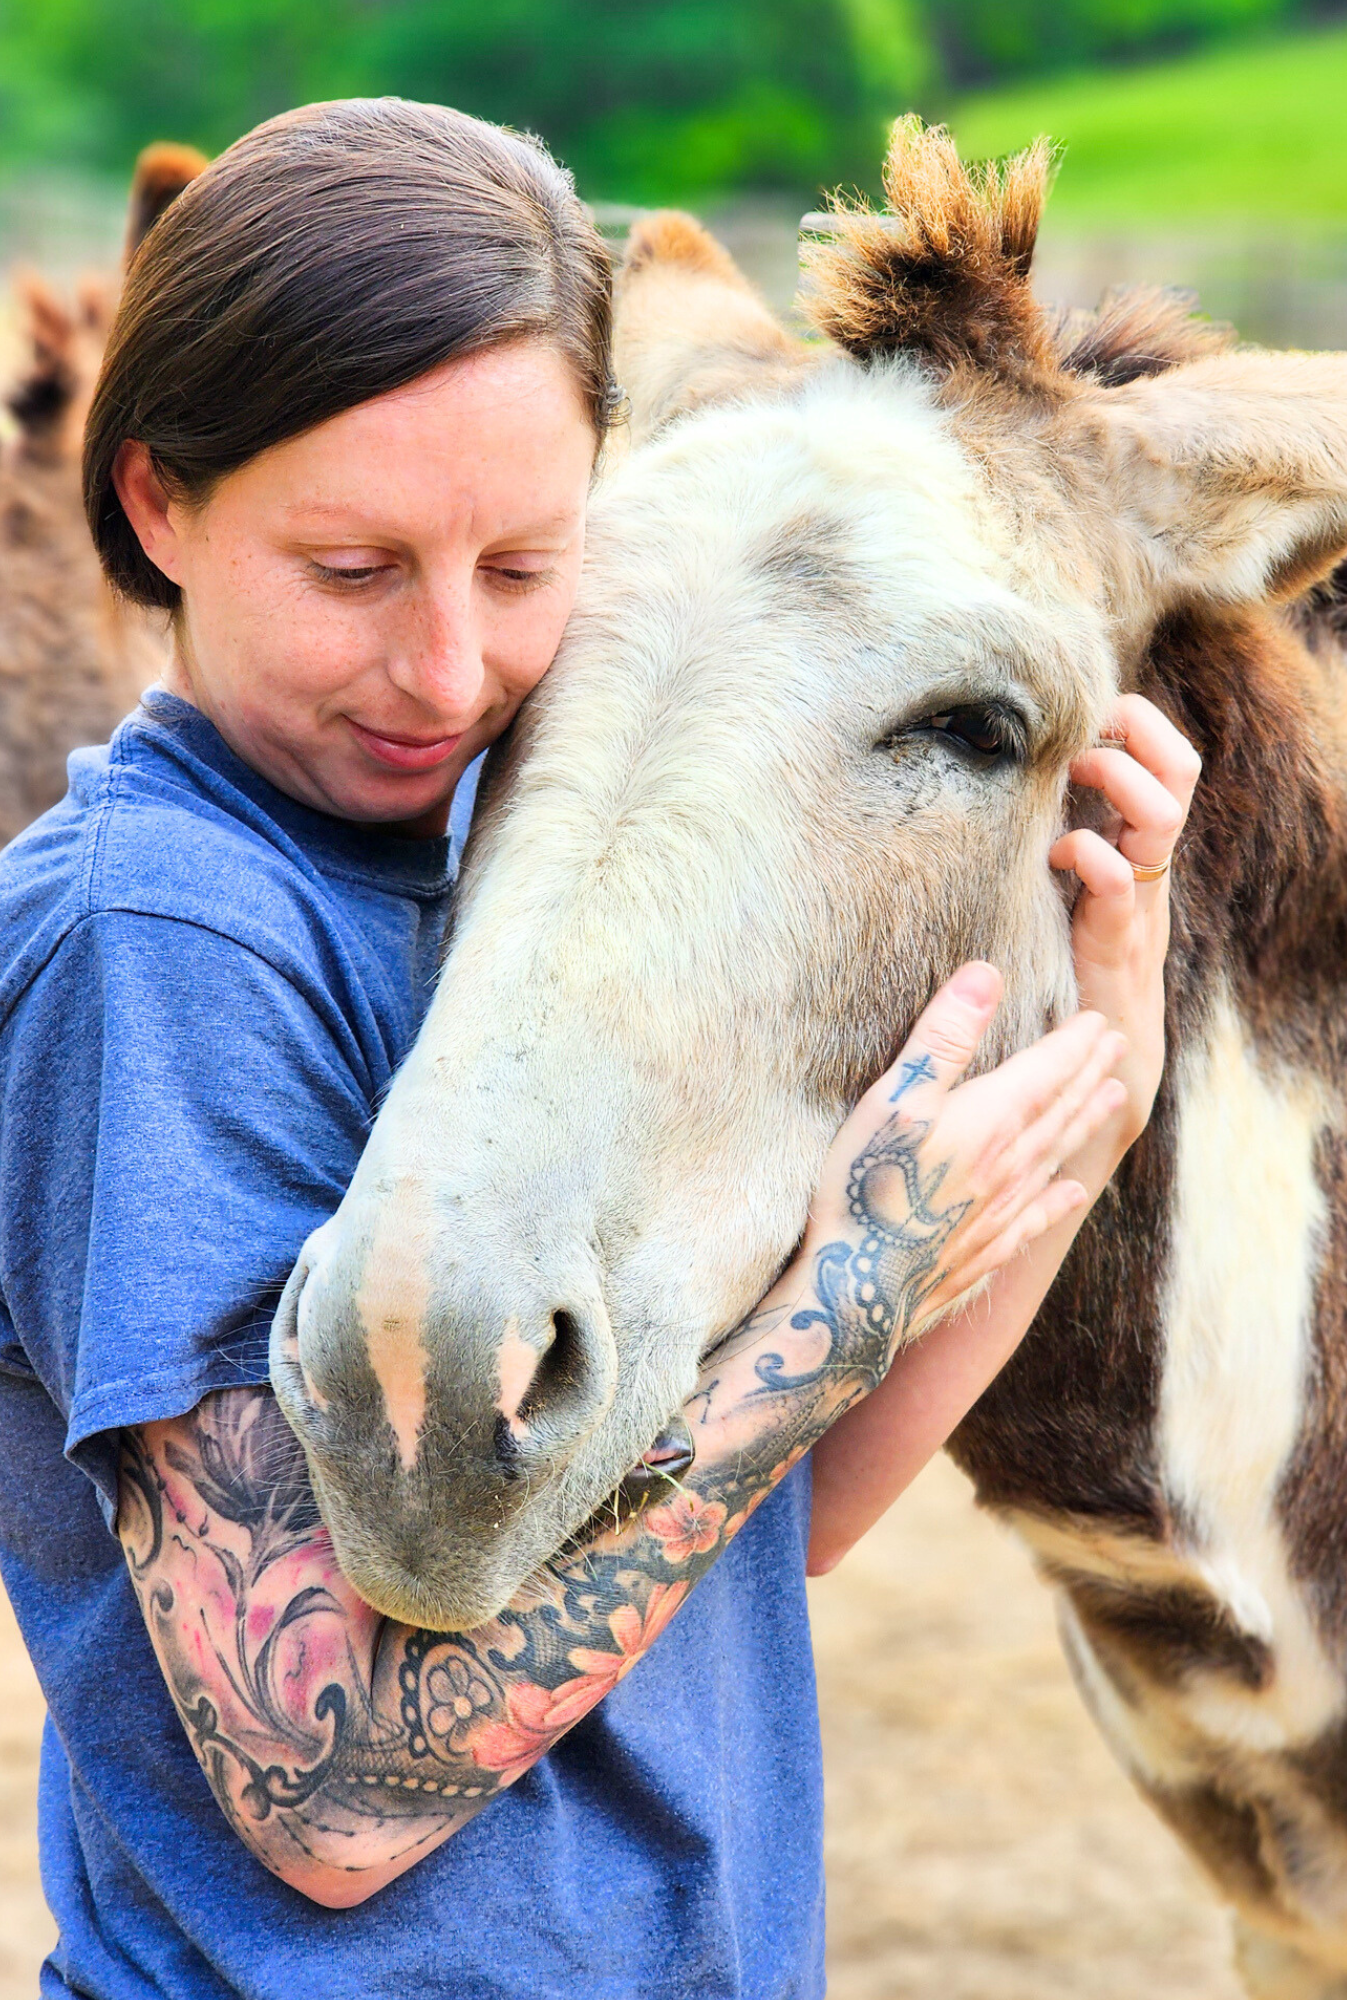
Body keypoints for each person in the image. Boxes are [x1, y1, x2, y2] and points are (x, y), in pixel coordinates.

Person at [0, 98, 1198, 2000]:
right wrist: (847, 1291)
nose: (452, 672)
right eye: (353, 570)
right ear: (157, 503)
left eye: (528, 568)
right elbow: (329, 1797)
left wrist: (1090, 1092)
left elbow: (740, 1542)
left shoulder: (483, 876)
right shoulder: (163, 938)